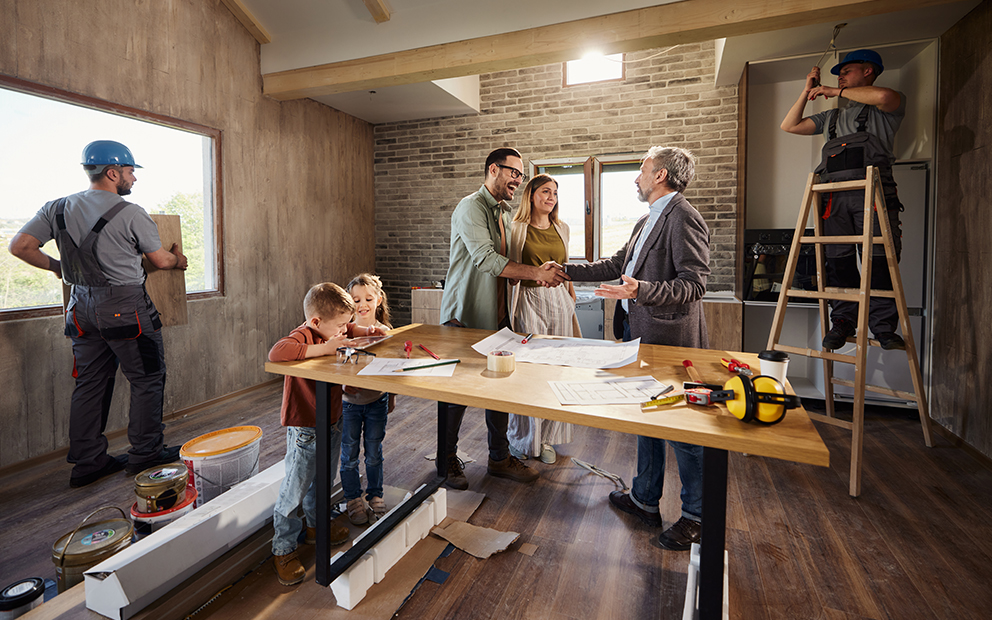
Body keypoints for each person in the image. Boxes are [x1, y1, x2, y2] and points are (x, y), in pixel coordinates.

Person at [8, 140, 188, 487]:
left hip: (80, 309)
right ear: (112, 172)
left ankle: (88, 462)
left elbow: (20, 246)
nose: (133, 179)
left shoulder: (56, 208)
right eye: (131, 172)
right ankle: (146, 453)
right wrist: (178, 259)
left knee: (89, 383)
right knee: (147, 378)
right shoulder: (132, 212)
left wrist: (60, 267)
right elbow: (160, 260)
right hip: (125, 309)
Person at [563, 146, 710, 551]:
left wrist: (641, 290)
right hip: (638, 334)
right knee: (647, 417)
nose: (636, 178)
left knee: (682, 431)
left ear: (660, 175)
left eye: (642, 171)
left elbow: (694, 285)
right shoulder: (648, 219)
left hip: (670, 340)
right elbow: (616, 265)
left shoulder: (683, 217)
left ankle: (697, 517)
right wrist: (564, 271)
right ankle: (645, 499)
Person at [438, 147, 569, 490]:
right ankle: (445, 460)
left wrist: (524, 278)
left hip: (496, 317)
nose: (518, 181)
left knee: (498, 387)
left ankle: (499, 457)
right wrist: (535, 274)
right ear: (494, 170)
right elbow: (485, 260)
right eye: (514, 173)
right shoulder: (471, 207)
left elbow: (504, 266)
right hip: (465, 315)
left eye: (521, 176)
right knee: (456, 394)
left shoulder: (501, 212)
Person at [780, 49, 907, 351]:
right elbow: (789, 125)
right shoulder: (831, 117)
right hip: (832, 199)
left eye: (847, 70)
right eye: (838, 73)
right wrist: (808, 90)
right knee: (839, 262)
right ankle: (843, 322)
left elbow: (885, 97)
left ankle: (883, 327)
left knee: (879, 260)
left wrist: (834, 90)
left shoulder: (885, 109)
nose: (840, 75)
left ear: (868, 71)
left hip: (872, 194)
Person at [267, 281, 385, 586]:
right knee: (295, 487)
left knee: (322, 482)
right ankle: (283, 549)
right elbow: (277, 352)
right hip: (307, 426)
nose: (342, 331)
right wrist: (326, 347)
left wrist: (370, 332)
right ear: (317, 322)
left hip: (333, 421)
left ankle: (316, 528)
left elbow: (349, 332)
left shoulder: (334, 330)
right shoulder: (304, 335)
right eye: (338, 327)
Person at [506, 174, 581, 464]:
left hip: (560, 302)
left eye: (555, 193)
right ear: (531, 195)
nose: (551, 198)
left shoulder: (562, 228)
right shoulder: (516, 229)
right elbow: (510, 271)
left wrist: (570, 297)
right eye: (545, 192)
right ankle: (522, 438)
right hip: (528, 301)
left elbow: (567, 266)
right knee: (529, 373)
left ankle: (547, 437)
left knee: (557, 371)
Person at [341, 273, 392, 525]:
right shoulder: (343, 332)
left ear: (378, 300)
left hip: (376, 401)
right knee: (349, 453)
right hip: (349, 403)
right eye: (356, 299)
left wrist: (390, 397)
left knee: (374, 451)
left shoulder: (385, 332)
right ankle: (352, 498)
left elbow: (391, 369)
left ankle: (375, 493)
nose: (363, 304)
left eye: (368, 299)